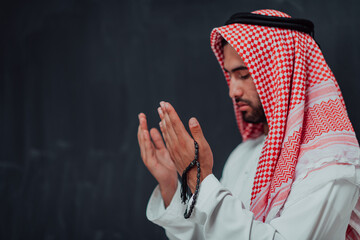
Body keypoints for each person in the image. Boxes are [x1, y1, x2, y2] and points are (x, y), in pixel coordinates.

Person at [137, 9, 360, 239]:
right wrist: (171, 185)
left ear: (279, 74)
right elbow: (210, 234)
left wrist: (198, 178)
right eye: (230, 76)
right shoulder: (243, 155)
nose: (232, 91)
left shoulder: (331, 165)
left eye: (243, 75)